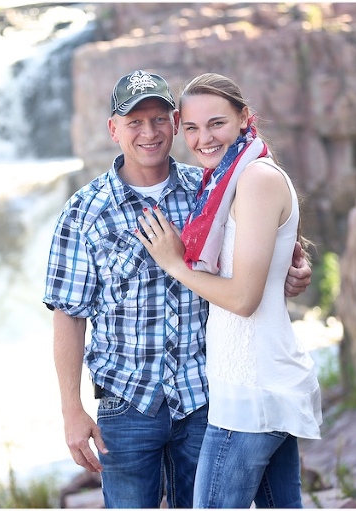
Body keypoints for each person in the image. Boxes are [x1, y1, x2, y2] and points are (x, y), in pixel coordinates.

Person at [43, 69, 312, 508]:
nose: (148, 133)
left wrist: (292, 272)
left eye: (158, 120)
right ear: (114, 129)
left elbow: (259, 257)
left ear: (174, 122)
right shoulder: (84, 211)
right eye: (134, 122)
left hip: (205, 398)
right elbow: (68, 314)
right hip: (127, 404)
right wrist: (71, 410)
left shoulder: (210, 188)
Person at [134, 72, 323, 508]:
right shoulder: (225, 181)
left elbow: (242, 298)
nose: (203, 139)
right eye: (192, 128)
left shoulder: (255, 179)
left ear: (244, 118)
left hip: (252, 392)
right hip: (249, 386)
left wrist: (173, 264)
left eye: (216, 123)